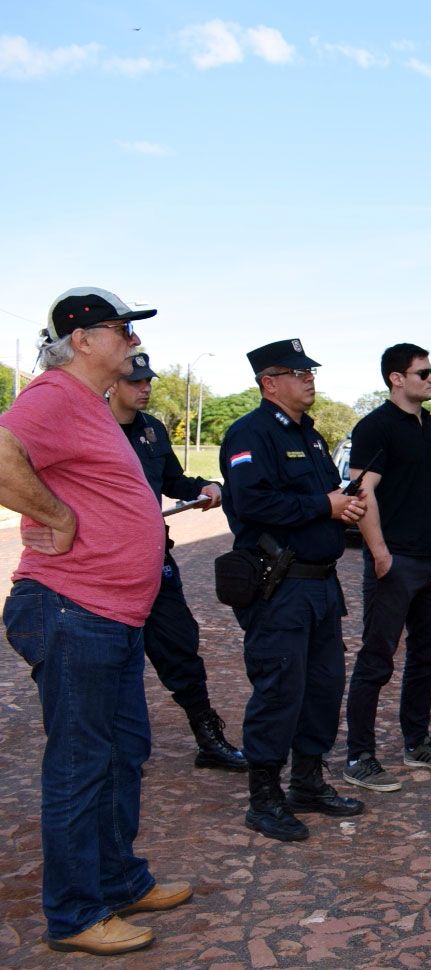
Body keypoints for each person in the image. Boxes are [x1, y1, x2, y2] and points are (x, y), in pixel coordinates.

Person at [0, 287, 190, 955]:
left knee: (122, 754)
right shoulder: (54, 394)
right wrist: (55, 516)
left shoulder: (89, 405)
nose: (132, 342)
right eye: (122, 330)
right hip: (70, 607)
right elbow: (0, 455)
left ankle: (117, 879)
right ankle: (76, 913)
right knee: (82, 765)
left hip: (109, 613)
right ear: (81, 339)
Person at [220, 339, 367, 842]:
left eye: (310, 371)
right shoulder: (250, 433)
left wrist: (342, 507)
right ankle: (264, 798)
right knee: (280, 689)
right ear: (268, 382)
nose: (309, 378)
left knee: (323, 688)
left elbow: (322, 497)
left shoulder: (314, 437)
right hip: (278, 586)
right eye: (297, 372)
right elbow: (252, 502)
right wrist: (323, 508)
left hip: (320, 585)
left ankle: (307, 782)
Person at [109, 351, 245, 772]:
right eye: (136, 381)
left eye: (148, 380)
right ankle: (115, 750)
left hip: (154, 557)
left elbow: (171, 480)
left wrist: (202, 485)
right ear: (113, 384)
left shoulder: (152, 429)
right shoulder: (91, 427)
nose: (145, 387)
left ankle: (208, 738)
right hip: (107, 564)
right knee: (110, 655)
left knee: (180, 646)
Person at [343, 344, 431, 794]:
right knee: (376, 660)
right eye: (424, 372)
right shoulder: (375, 427)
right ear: (397, 378)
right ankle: (359, 755)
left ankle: (417, 742)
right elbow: (362, 490)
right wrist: (379, 552)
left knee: (428, 657)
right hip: (398, 561)